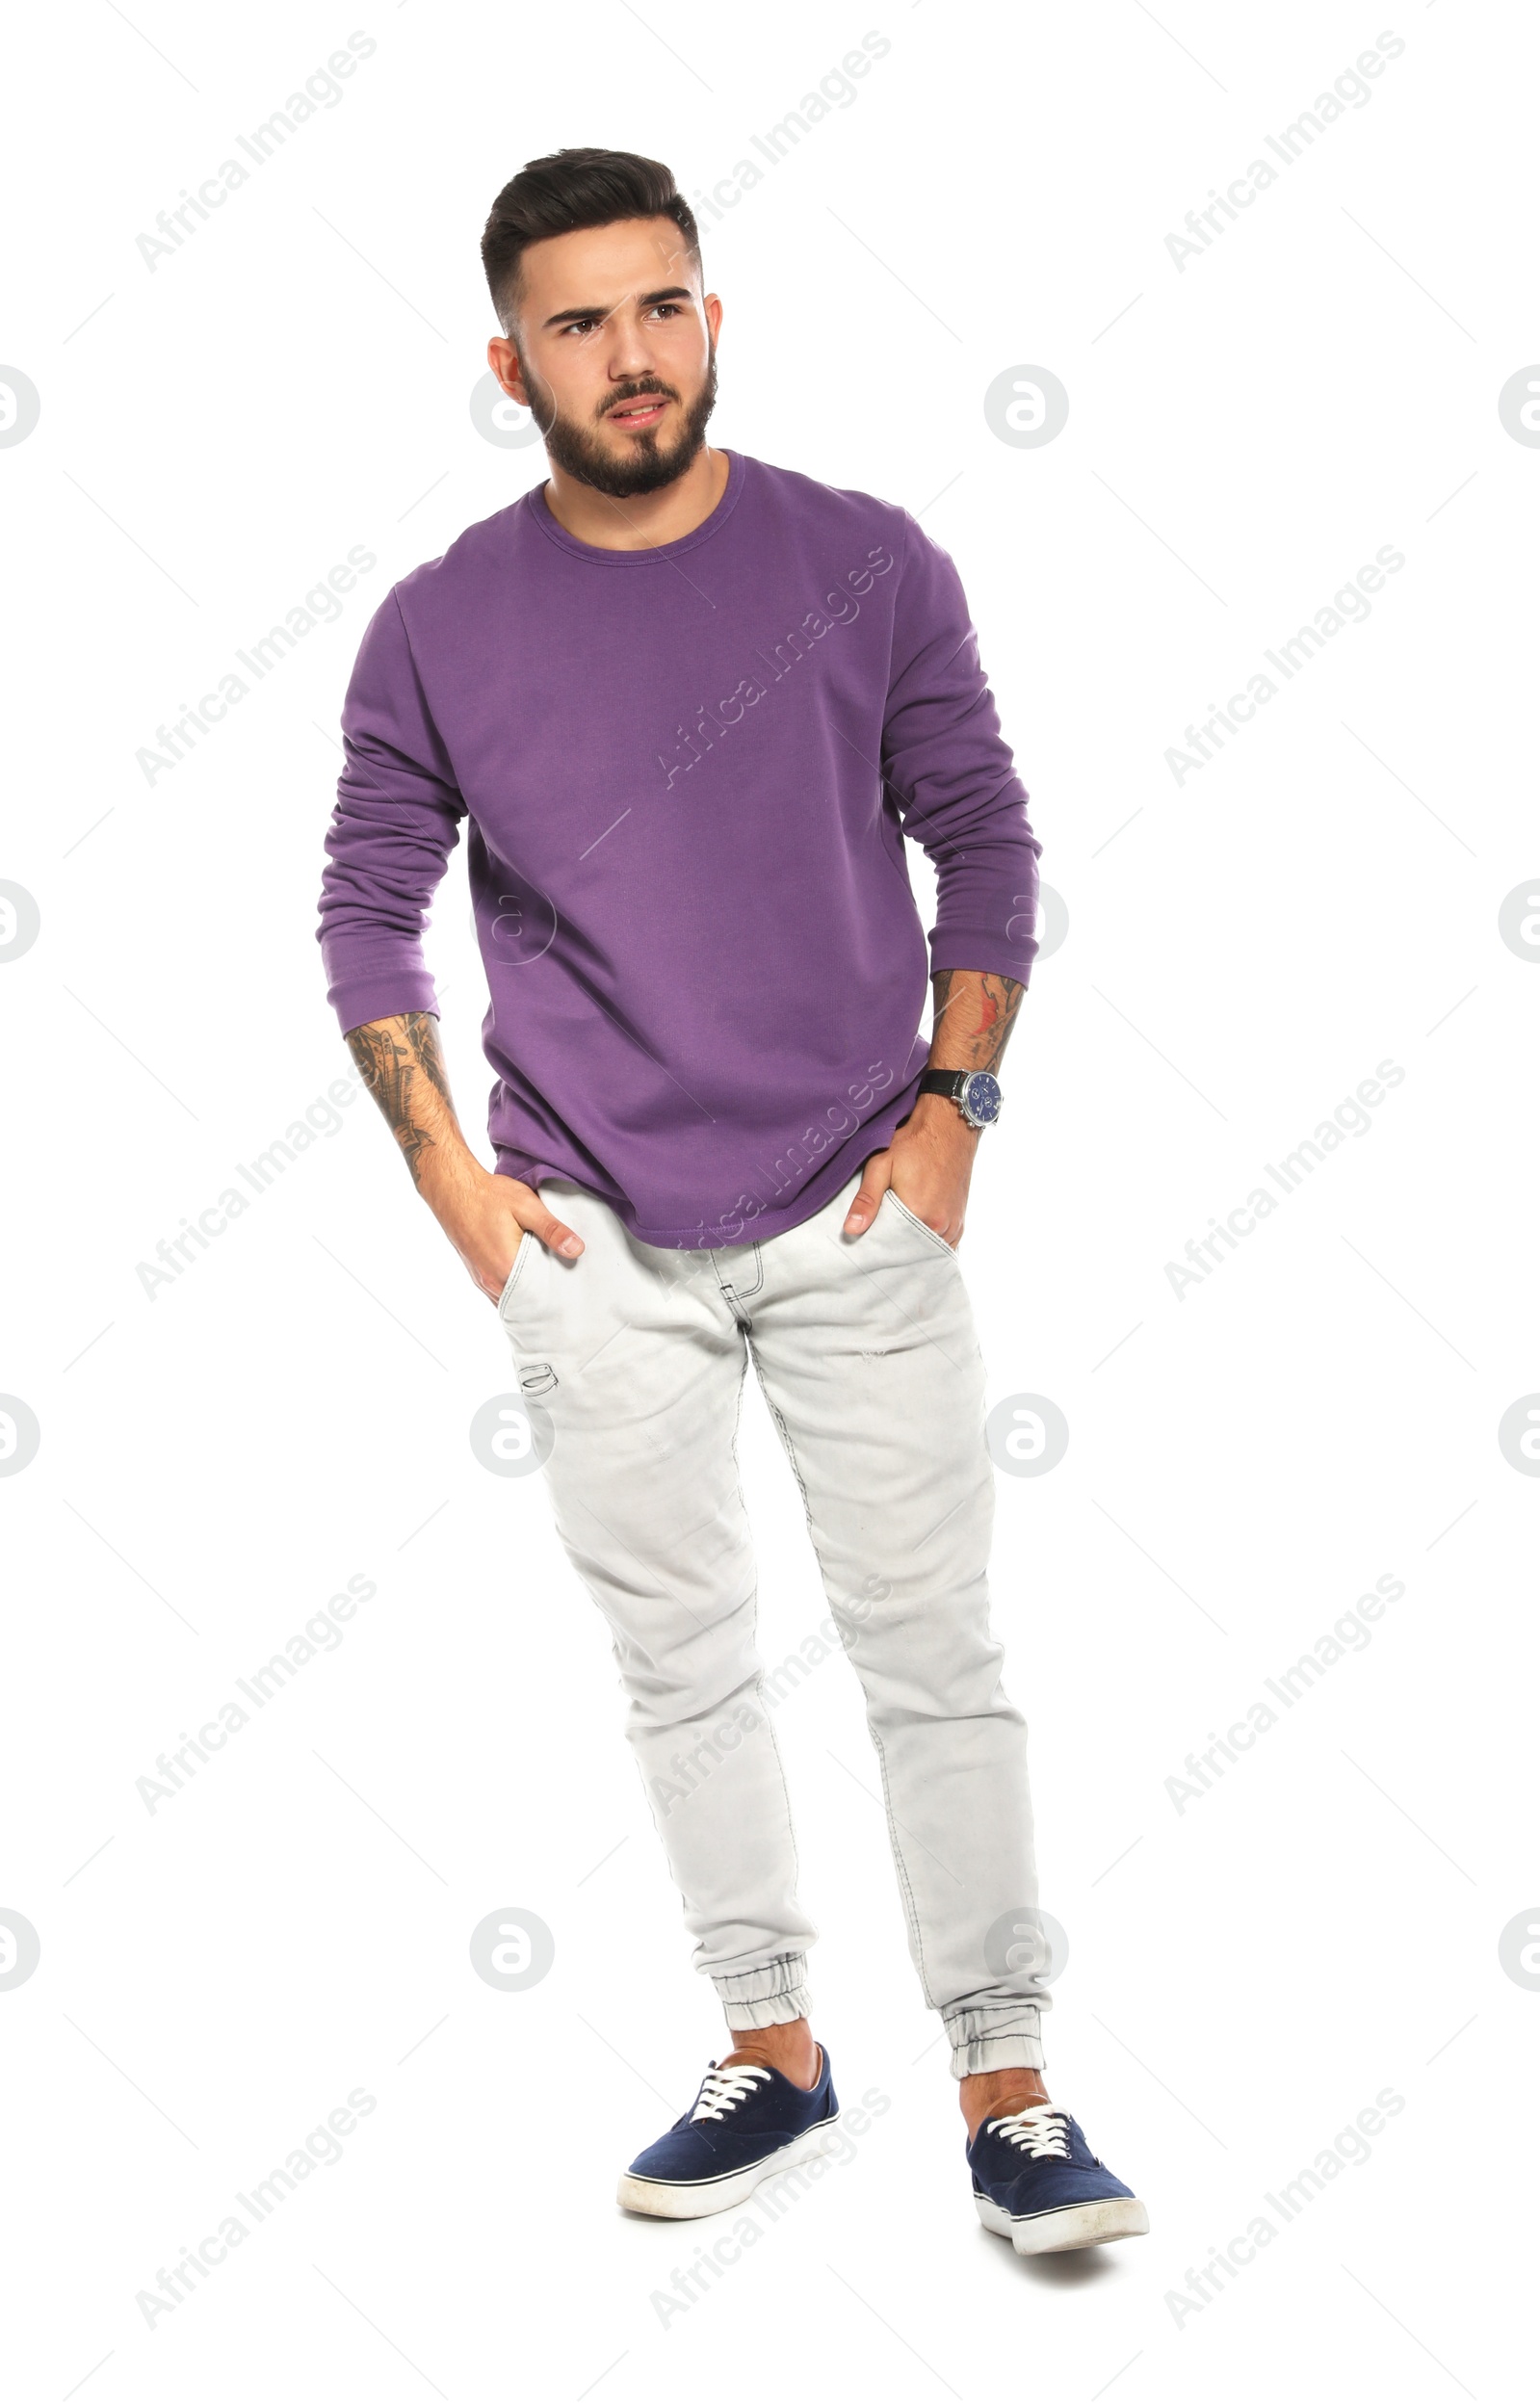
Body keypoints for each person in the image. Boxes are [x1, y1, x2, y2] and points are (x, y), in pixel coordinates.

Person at [315, 145, 1146, 2257]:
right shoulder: (436, 626)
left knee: (930, 1654)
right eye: (576, 322)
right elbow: (363, 919)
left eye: (659, 304)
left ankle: (1009, 2083)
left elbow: (984, 833)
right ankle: (768, 2051)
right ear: (508, 365)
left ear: (713, 315)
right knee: (679, 1665)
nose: (628, 353)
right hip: (592, 1232)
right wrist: (463, 1200)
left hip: (860, 1203)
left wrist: (955, 1103)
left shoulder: (862, 563)